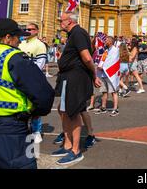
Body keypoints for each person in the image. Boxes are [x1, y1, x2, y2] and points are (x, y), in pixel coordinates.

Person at [0, 18, 54, 169]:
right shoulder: (13, 58)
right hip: (8, 131)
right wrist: (35, 112)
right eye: (17, 37)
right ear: (7, 38)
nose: (20, 42)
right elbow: (43, 95)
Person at [52, 11, 101, 166]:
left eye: (62, 20)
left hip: (76, 78)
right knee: (63, 109)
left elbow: (87, 57)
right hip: (69, 77)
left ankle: (75, 150)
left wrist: (94, 75)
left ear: (70, 21)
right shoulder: (73, 34)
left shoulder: (78, 33)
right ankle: (67, 145)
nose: (60, 22)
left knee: (73, 112)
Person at [19, 23, 48, 144]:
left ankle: (37, 131)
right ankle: (23, 129)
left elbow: (40, 63)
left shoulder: (40, 45)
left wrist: (29, 75)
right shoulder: (21, 44)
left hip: (33, 79)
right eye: (26, 29)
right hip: (19, 79)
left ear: (36, 31)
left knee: (35, 107)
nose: (27, 31)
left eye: (30, 29)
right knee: (22, 105)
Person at [96, 37, 120, 117]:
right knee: (104, 92)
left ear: (110, 41)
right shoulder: (106, 50)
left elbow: (113, 62)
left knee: (113, 92)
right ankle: (103, 107)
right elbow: (103, 60)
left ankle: (115, 109)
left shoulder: (115, 50)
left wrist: (103, 67)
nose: (105, 41)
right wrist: (100, 66)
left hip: (111, 75)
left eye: (106, 40)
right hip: (103, 74)